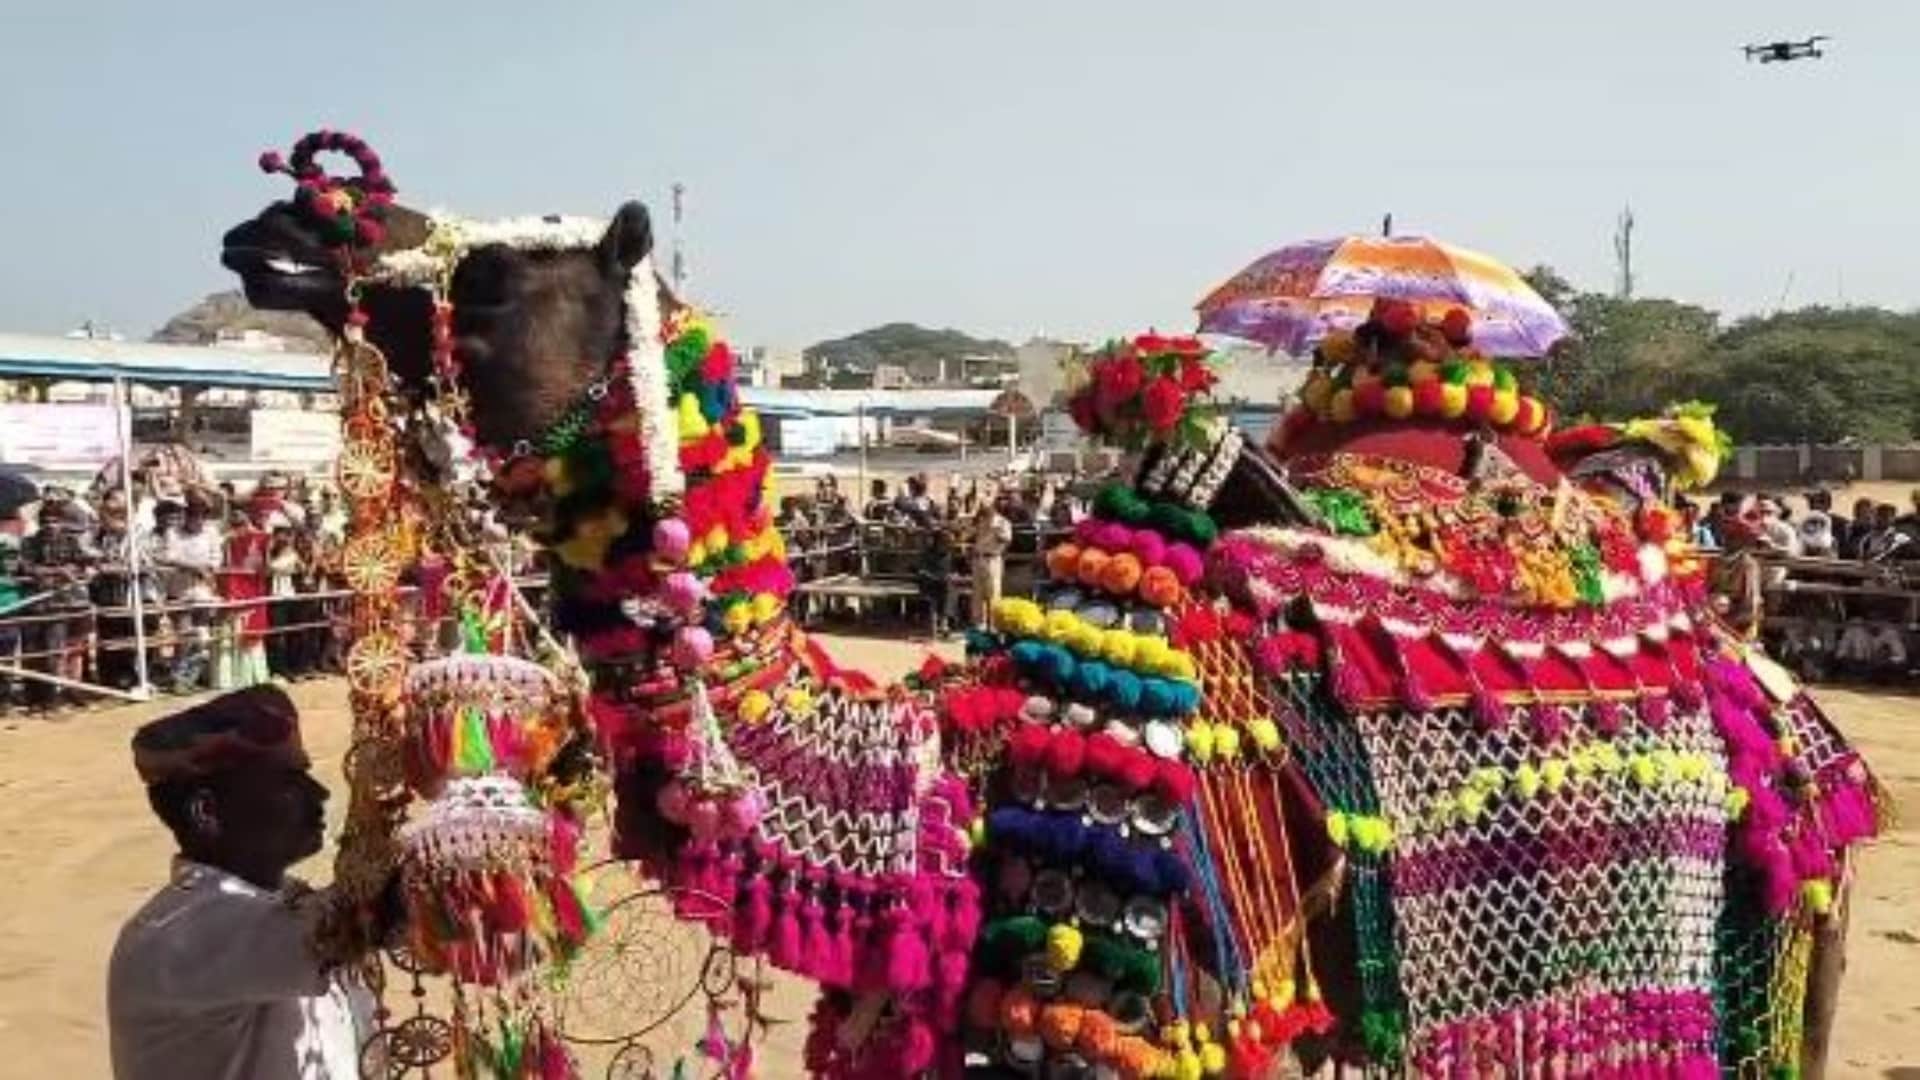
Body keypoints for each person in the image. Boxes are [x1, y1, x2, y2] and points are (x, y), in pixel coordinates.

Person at [108, 685, 379, 1079]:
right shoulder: (177, 935)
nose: (318, 794)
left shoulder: (280, 903)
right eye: (288, 781)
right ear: (207, 811)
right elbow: (366, 919)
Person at [153, 493, 223, 691]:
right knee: (184, 635)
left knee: (202, 636)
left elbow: (216, 557)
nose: (197, 519)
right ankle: (178, 676)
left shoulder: (211, 532)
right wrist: (192, 566)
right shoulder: (172, 532)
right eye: (193, 514)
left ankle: (192, 676)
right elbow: (168, 556)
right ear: (186, 515)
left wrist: (208, 568)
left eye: (201, 515)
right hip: (178, 588)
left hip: (203, 589)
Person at [969, 499, 1014, 629]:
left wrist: (994, 530)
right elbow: (969, 535)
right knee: (977, 594)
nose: (984, 509)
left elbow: (1006, 540)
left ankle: (994, 625)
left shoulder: (1002, 522)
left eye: (986, 507)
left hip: (992, 558)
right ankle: (979, 624)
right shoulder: (980, 521)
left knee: (993, 593)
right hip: (978, 558)